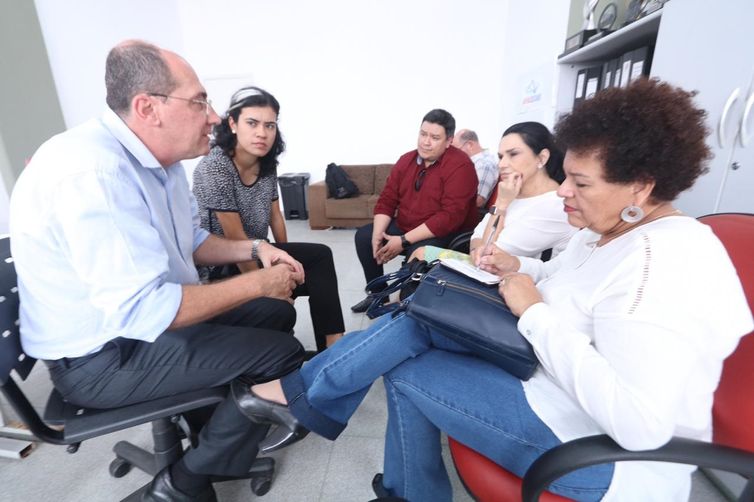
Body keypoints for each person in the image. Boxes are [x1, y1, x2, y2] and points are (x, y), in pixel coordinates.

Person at [227, 79, 754, 501]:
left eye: (581, 183)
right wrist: (518, 266)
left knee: (408, 358)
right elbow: (564, 278)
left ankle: (319, 415)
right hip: (548, 383)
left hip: (603, 458)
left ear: (640, 184)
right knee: (421, 314)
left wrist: (534, 314)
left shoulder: (660, 268)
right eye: (566, 178)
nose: (565, 194)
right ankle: (335, 429)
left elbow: (640, 426)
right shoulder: (614, 229)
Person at [9, 40, 308, 502]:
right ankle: (183, 482)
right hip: (102, 358)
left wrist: (256, 248)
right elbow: (149, 310)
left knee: (274, 315)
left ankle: (214, 428)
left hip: (135, 329)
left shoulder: (160, 163)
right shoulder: (95, 174)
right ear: (148, 107)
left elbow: (193, 241)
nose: (213, 117)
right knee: (282, 353)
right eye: (199, 101)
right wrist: (257, 280)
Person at [192, 86, 346, 352]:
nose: (262, 133)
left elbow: (275, 214)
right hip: (222, 263)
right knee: (277, 302)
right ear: (233, 123)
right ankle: (278, 346)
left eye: (270, 125)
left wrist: (288, 261)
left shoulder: (267, 163)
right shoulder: (214, 166)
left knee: (319, 256)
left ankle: (333, 346)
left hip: (258, 251)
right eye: (252, 123)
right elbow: (235, 241)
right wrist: (268, 284)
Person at [350, 109, 479, 313]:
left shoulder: (461, 166)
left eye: (435, 137)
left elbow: (449, 217)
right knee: (365, 237)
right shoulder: (407, 160)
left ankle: (406, 305)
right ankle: (378, 295)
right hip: (407, 224)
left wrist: (403, 241)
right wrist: (378, 235)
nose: (426, 142)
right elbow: (388, 199)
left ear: (448, 141)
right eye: (423, 134)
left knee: (417, 253)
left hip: (443, 233)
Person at [412, 121, 576, 265]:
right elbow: (476, 240)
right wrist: (479, 248)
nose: (502, 164)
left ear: (542, 158)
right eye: (500, 156)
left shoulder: (555, 205)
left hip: (513, 288)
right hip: (485, 272)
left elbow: (488, 251)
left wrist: (501, 204)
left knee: (422, 255)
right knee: (421, 256)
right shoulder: (514, 193)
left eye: (513, 154)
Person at [452, 128, 499, 208]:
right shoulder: (471, 164)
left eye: (456, 150)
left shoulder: (484, 164)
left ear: (470, 145)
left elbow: (478, 200)